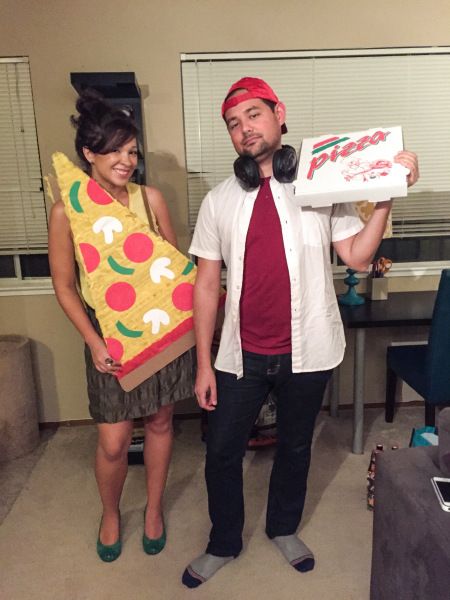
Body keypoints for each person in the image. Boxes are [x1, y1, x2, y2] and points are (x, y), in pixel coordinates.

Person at [182, 77, 419, 587]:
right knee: (222, 449)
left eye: (253, 114)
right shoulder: (218, 201)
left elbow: (356, 255)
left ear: (278, 113)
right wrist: (203, 362)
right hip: (238, 356)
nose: (244, 128)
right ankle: (224, 540)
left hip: (308, 349)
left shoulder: (320, 187)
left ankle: (283, 528)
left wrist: (385, 199)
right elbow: (205, 287)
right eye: (233, 122)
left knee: (295, 446)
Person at [48, 90, 194, 562]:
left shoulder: (150, 200)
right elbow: (65, 286)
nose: (126, 160)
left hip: (162, 332)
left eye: (132, 151)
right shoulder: (66, 212)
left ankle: (153, 510)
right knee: (113, 440)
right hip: (107, 336)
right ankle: (111, 513)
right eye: (114, 150)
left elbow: (176, 270)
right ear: (88, 154)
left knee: (161, 420)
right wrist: (92, 341)